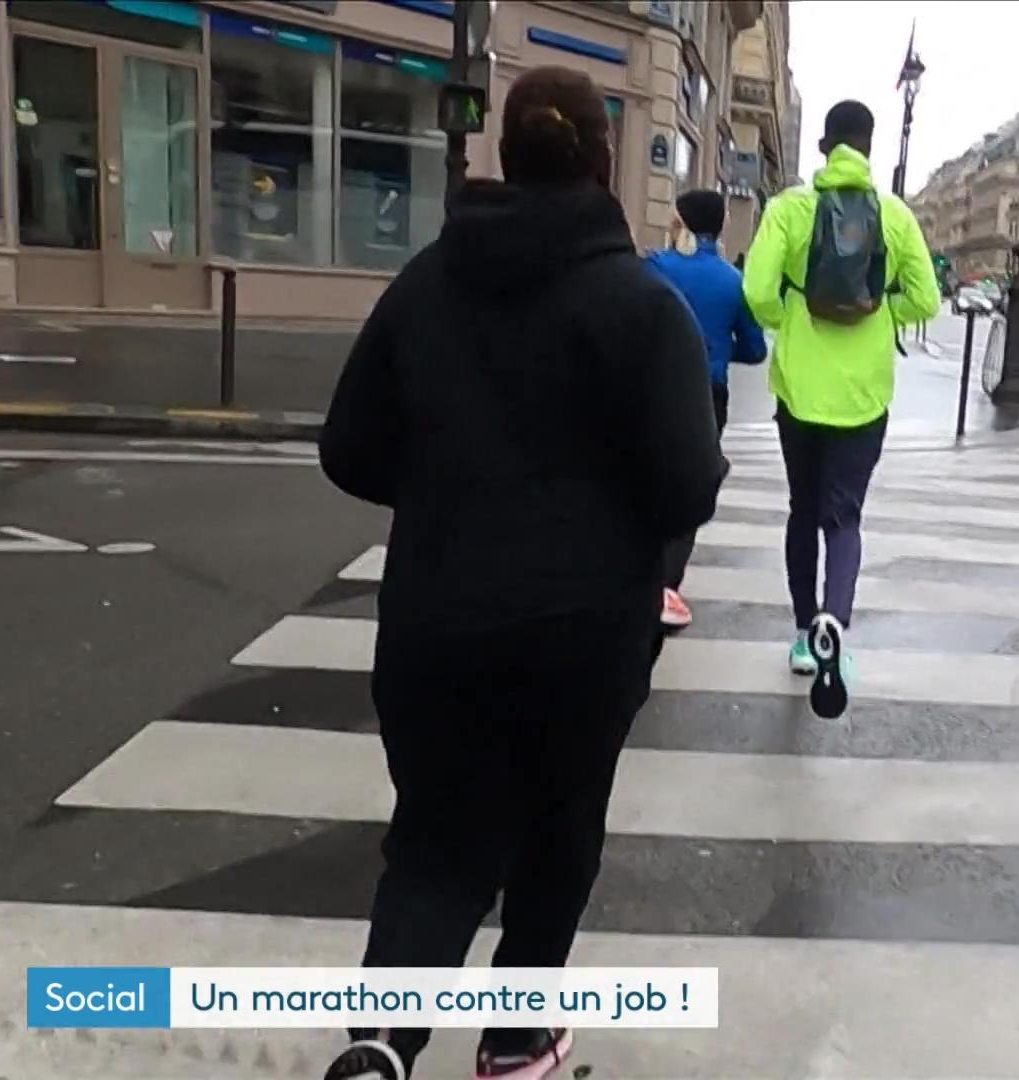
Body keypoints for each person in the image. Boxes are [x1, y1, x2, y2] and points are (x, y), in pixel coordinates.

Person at [317, 65, 723, 1080]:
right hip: (582, 639)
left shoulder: (425, 284)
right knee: (556, 838)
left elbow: (348, 450)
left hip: (436, 617)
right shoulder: (642, 307)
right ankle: (514, 1042)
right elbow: (687, 488)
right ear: (598, 160)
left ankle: (379, 1046)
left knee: (437, 844)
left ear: (503, 152)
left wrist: (454, 481)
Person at [741, 99, 940, 718]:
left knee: (802, 509)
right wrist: (882, 318)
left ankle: (805, 635)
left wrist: (790, 322)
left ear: (824, 144)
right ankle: (836, 618)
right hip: (863, 396)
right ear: (870, 147)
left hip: (800, 390)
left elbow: (754, 290)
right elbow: (927, 300)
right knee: (844, 517)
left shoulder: (789, 207)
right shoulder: (896, 216)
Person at [644, 189, 768, 630]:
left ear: (681, 223)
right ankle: (668, 586)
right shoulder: (734, 282)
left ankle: (638, 574)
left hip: (651, 385)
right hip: (707, 394)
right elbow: (754, 350)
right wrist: (713, 349)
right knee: (690, 485)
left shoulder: (656, 266)